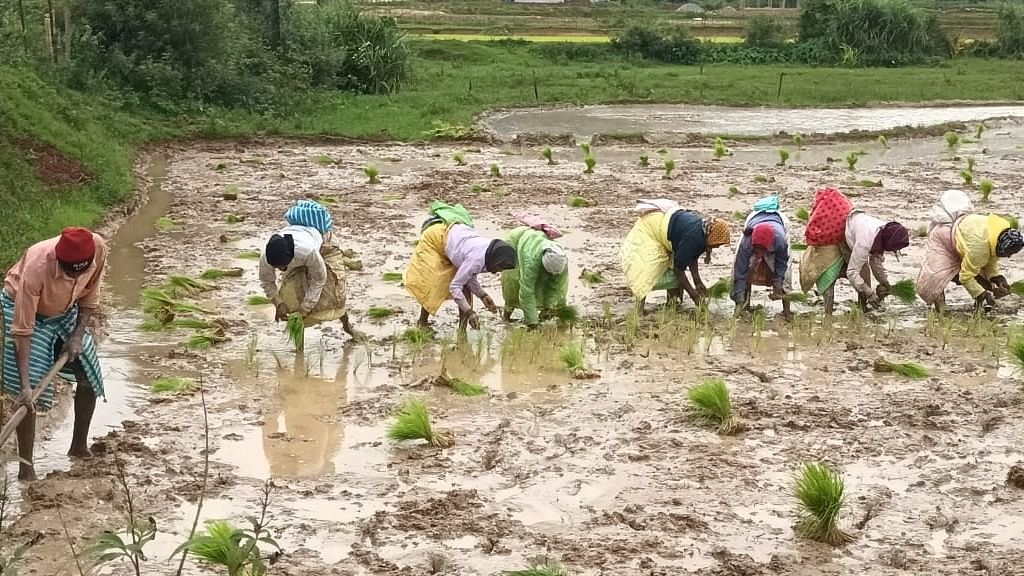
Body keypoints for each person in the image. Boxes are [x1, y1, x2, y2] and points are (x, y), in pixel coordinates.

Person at [2, 227, 107, 480]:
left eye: (79, 272)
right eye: (70, 272)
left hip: (66, 308)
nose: (75, 276)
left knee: (89, 375)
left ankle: (79, 447)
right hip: (25, 311)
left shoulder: (98, 249)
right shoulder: (37, 268)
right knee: (25, 396)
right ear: (60, 261)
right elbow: (22, 330)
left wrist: (77, 336)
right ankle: (26, 469)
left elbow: (90, 295)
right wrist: (26, 386)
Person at [259, 200, 363, 339]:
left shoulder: (307, 251)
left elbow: (319, 280)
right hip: (301, 247)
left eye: (283, 266)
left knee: (334, 293)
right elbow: (267, 282)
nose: (281, 270)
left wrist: (305, 308)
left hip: (325, 244)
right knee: (293, 296)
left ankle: (347, 327)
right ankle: (299, 348)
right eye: (277, 267)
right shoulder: (266, 256)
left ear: (291, 258)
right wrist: (278, 303)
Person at [405, 218, 518, 330]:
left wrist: (483, 295)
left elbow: (469, 277)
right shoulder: (477, 259)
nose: (499, 271)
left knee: (465, 287)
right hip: (435, 239)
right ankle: (422, 322)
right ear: (497, 260)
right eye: (500, 268)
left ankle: (462, 331)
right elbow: (455, 287)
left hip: (456, 242)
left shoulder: (490, 253)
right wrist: (469, 312)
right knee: (435, 283)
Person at [621, 199, 731, 311]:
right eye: (717, 244)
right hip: (652, 229)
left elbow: (692, 256)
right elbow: (679, 270)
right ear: (711, 237)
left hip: (670, 228)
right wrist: (695, 296)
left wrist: (697, 281)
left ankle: (672, 302)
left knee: (673, 264)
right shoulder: (693, 238)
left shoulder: (703, 232)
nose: (717, 247)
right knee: (648, 269)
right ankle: (639, 309)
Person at [918, 210, 1023, 311]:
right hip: (944, 240)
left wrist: (995, 277)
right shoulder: (980, 249)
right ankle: (941, 312)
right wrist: (981, 294)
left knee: (982, 277)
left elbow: (990, 261)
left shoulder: (998, 236)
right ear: (1002, 247)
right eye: (1008, 253)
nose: (1009, 257)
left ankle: (979, 307)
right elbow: (965, 277)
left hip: (967, 240)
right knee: (937, 280)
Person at [731, 195, 793, 317]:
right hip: (755, 220)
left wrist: (777, 282)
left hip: (778, 225)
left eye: (762, 249)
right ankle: (743, 306)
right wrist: (738, 299)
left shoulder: (780, 240)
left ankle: (786, 311)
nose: (759, 252)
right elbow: (740, 270)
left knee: (786, 275)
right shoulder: (747, 242)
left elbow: (782, 263)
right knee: (739, 272)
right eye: (756, 249)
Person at [500, 223, 569, 328]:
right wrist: (533, 323)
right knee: (513, 283)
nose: (551, 275)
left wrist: (549, 307)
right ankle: (506, 317)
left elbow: (557, 287)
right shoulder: (531, 262)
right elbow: (527, 292)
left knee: (555, 290)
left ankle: (559, 320)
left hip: (535, 243)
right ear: (542, 263)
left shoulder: (561, 260)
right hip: (517, 241)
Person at [843, 211, 910, 310]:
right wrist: (869, 293)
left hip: (861, 223)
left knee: (865, 275)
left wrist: (885, 283)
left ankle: (864, 306)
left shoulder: (884, 233)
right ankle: (862, 308)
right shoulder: (864, 244)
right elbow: (852, 272)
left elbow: (875, 262)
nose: (895, 251)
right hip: (848, 227)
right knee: (864, 272)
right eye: (894, 249)